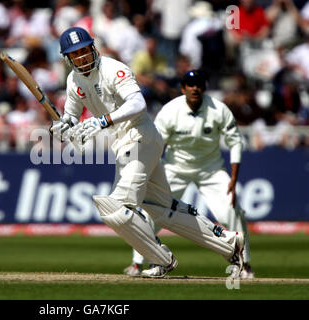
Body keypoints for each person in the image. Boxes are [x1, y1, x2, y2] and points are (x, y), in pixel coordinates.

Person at [51, 27, 245, 278]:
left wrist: (102, 121)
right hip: (124, 144)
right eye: (74, 54)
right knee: (163, 209)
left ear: (93, 48)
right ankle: (229, 242)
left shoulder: (113, 69)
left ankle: (161, 259)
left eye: (84, 51)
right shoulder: (73, 81)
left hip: (140, 137)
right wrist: (64, 126)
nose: (82, 58)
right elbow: (71, 116)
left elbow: (137, 103)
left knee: (117, 209)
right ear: (67, 59)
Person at [124, 70, 254, 279]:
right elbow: (157, 145)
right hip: (175, 168)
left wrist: (233, 178)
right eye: (190, 85)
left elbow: (235, 142)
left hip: (210, 169)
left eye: (199, 84)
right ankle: (138, 263)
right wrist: (148, 173)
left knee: (231, 211)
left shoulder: (218, 109)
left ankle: (244, 263)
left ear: (204, 87)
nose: (195, 88)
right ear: (183, 88)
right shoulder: (170, 111)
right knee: (151, 212)